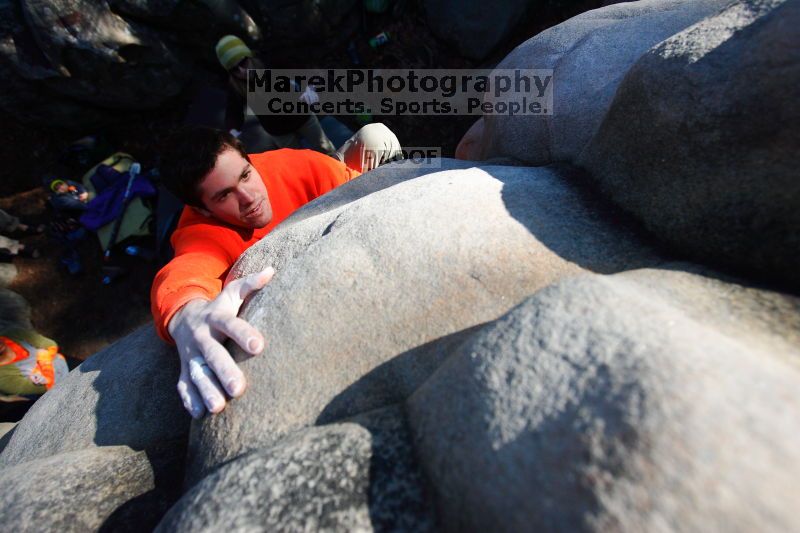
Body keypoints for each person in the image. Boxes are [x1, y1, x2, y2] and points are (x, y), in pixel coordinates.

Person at [151, 123, 402, 418]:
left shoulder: (296, 166)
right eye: (224, 195)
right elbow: (187, 270)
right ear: (202, 209)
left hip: (333, 181)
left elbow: (359, 188)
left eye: (246, 174)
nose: (249, 197)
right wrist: (187, 316)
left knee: (376, 136)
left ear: (249, 161)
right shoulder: (204, 230)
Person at [216, 35, 336, 156]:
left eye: (243, 62)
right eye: (235, 69)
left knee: (324, 147)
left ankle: (341, 171)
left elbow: (301, 69)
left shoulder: (270, 62)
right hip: (279, 131)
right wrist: (233, 130)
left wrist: (309, 88)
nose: (242, 71)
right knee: (297, 161)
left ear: (249, 56)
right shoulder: (236, 86)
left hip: (301, 116)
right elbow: (233, 111)